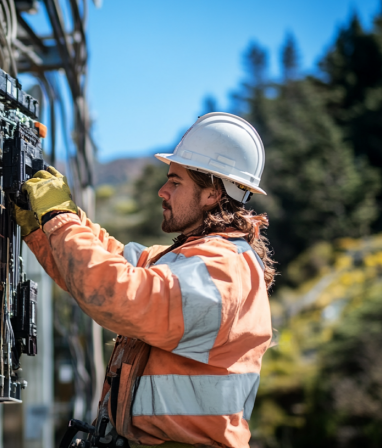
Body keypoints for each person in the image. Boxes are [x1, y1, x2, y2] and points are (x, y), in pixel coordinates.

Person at [16, 113, 275, 448]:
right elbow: (105, 261)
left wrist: (59, 217)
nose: (162, 191)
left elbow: (115, 292)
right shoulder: (191, 259)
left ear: (212, 194)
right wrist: (44, 224)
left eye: (176, 181)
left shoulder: (223, 270)